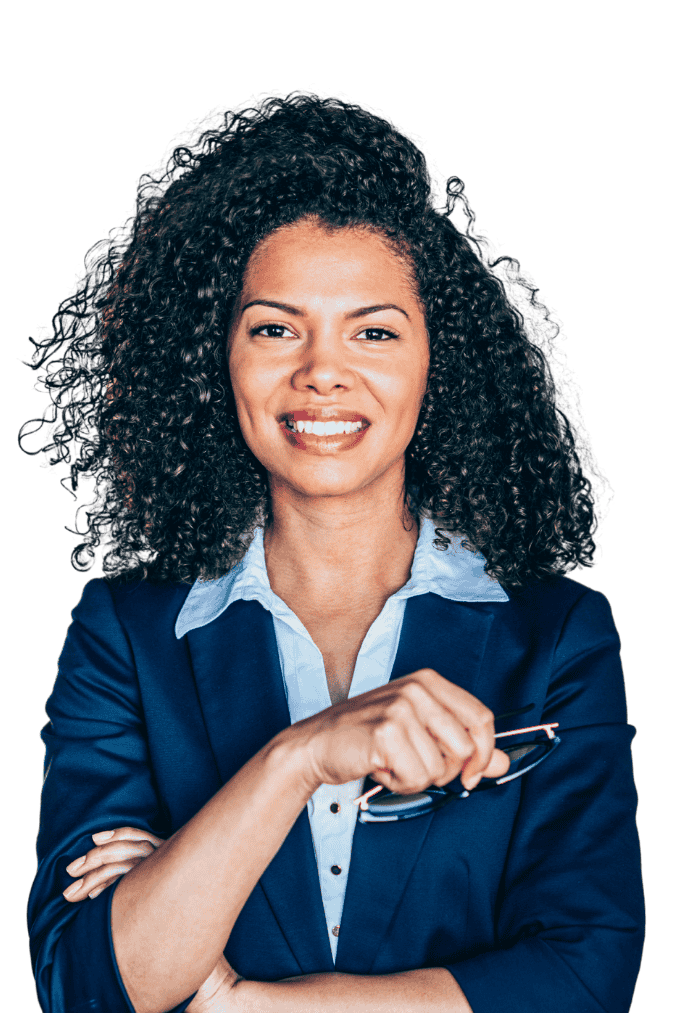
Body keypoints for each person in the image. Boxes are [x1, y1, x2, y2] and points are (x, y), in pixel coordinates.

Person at [23, 89, 645, 1013]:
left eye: (374, 330)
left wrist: (247, 1004)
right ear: (213, 358)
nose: (321, 371)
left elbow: (581, 975)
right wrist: (301, 757)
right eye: (274, 327)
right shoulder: (125, 633)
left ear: (440, 360)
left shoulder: (556, 636)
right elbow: (91, 983)